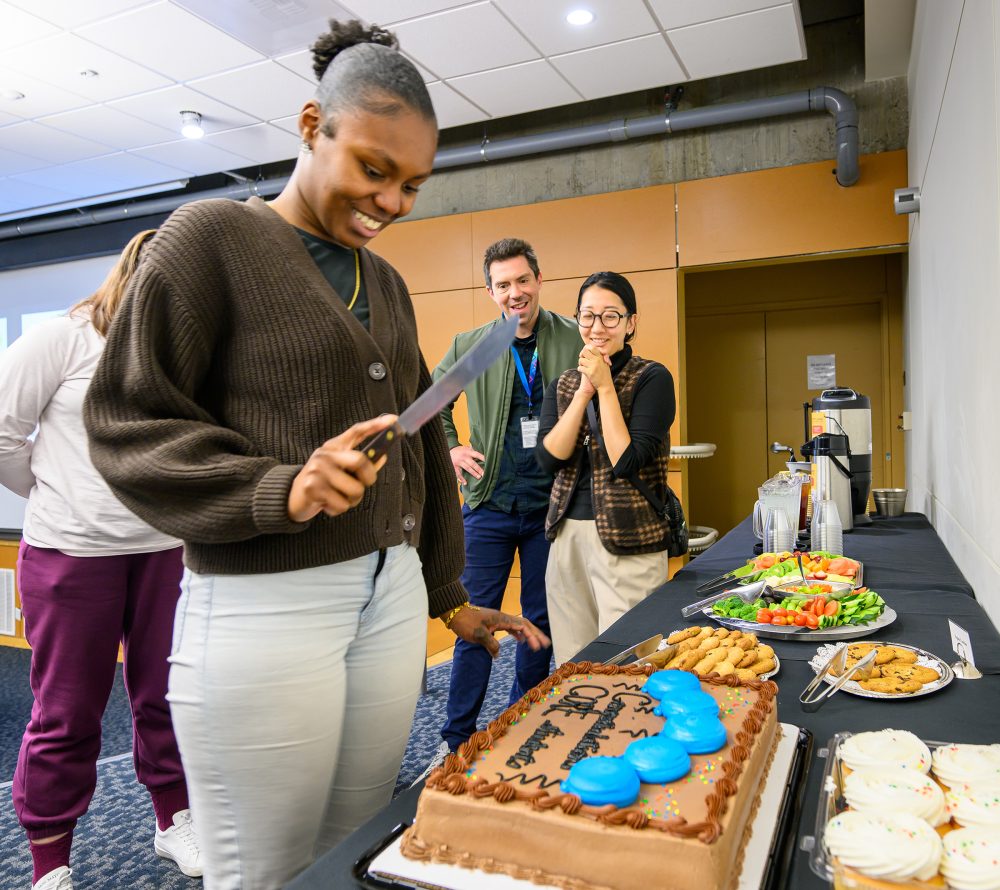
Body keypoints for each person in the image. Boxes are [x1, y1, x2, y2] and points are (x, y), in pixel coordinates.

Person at [81, 20, 547, 890]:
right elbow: (126, 422)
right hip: (265, 603)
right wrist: (278, 487)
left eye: (413, 183)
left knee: (354, 845)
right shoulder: (208, 240)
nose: (395, 202)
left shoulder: (390, 284)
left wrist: (450, 598)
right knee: (263, 869)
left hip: (392, 598)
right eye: (375, 169)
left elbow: (422, 445)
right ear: (309, 127)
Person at [0, 230, 200, 890]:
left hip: (162, 552)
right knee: (67, 714)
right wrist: (51, 491)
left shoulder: (179, 353)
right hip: (71, 556)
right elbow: (1, 432)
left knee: (168, 699)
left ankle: (174, 822)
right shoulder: (59, 339)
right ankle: (50, 863)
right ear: (134, 277)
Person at [434, 238, 582, 753]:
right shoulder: (473, 346)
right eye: (503, 285)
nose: (514, 292)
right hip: (489, 505)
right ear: (491, 291)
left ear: (538, 279)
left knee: (539, 623)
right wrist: (451, 450)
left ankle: (523, 721)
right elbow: (433, 405)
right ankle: (457, 738)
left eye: (522, 280)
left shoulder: (572, 336)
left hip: (551, 506)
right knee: (476, 623)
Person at [536, 271, 676, 665]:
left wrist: (606, 386)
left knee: (628, 660)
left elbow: (627, 460)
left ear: (631, 323)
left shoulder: (653, 377)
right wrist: (584, 391)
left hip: (629, 541)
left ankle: (638, 727)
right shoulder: (563, 385)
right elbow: (549, 459)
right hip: (566, 538)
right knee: (573, 661)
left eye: (610, 316)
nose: (598, 327)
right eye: (588, 316)